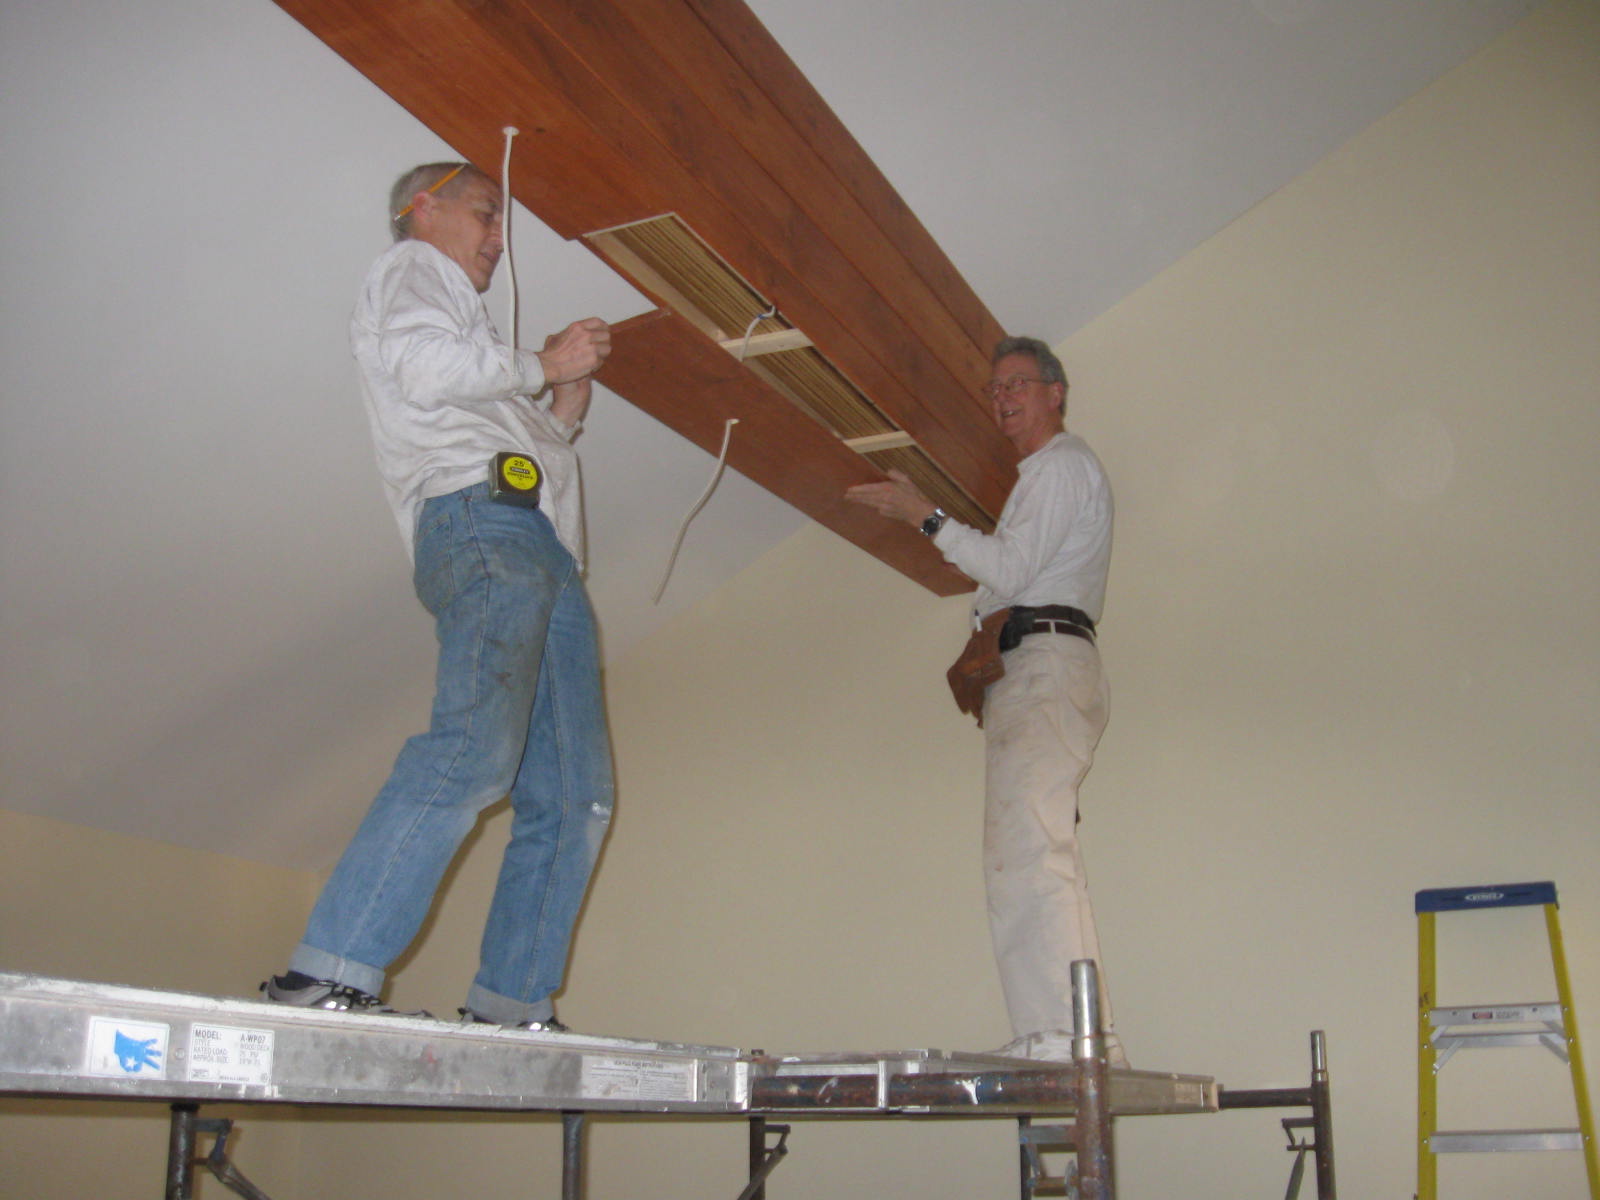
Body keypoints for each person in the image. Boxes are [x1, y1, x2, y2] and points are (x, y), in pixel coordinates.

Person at [262, 162, 614, 1031]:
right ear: (425, 209)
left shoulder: (469, 326)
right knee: (474, 752)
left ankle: (511, 1001)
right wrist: (542, 361)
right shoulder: (414, 270)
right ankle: (328, 969)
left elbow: (499, 426)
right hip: (481, 527)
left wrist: (561, 409)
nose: (498, 237)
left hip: (538, 550)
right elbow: (425, 370)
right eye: (486, 215)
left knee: (578, 796)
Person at [845, 336, 1122, 1065]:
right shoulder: (1045, 477)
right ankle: (1075, 1036)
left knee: (1027, 855)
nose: (1002, 398)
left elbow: (1010, 566)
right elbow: (1008, 579)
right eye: (995, 389)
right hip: (1039, 666)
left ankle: (1062, 1038)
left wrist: (924, 515)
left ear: (1056, 393)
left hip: (1044, 663)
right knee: (1033, 852)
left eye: (1018, 384)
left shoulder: (1061, 467)